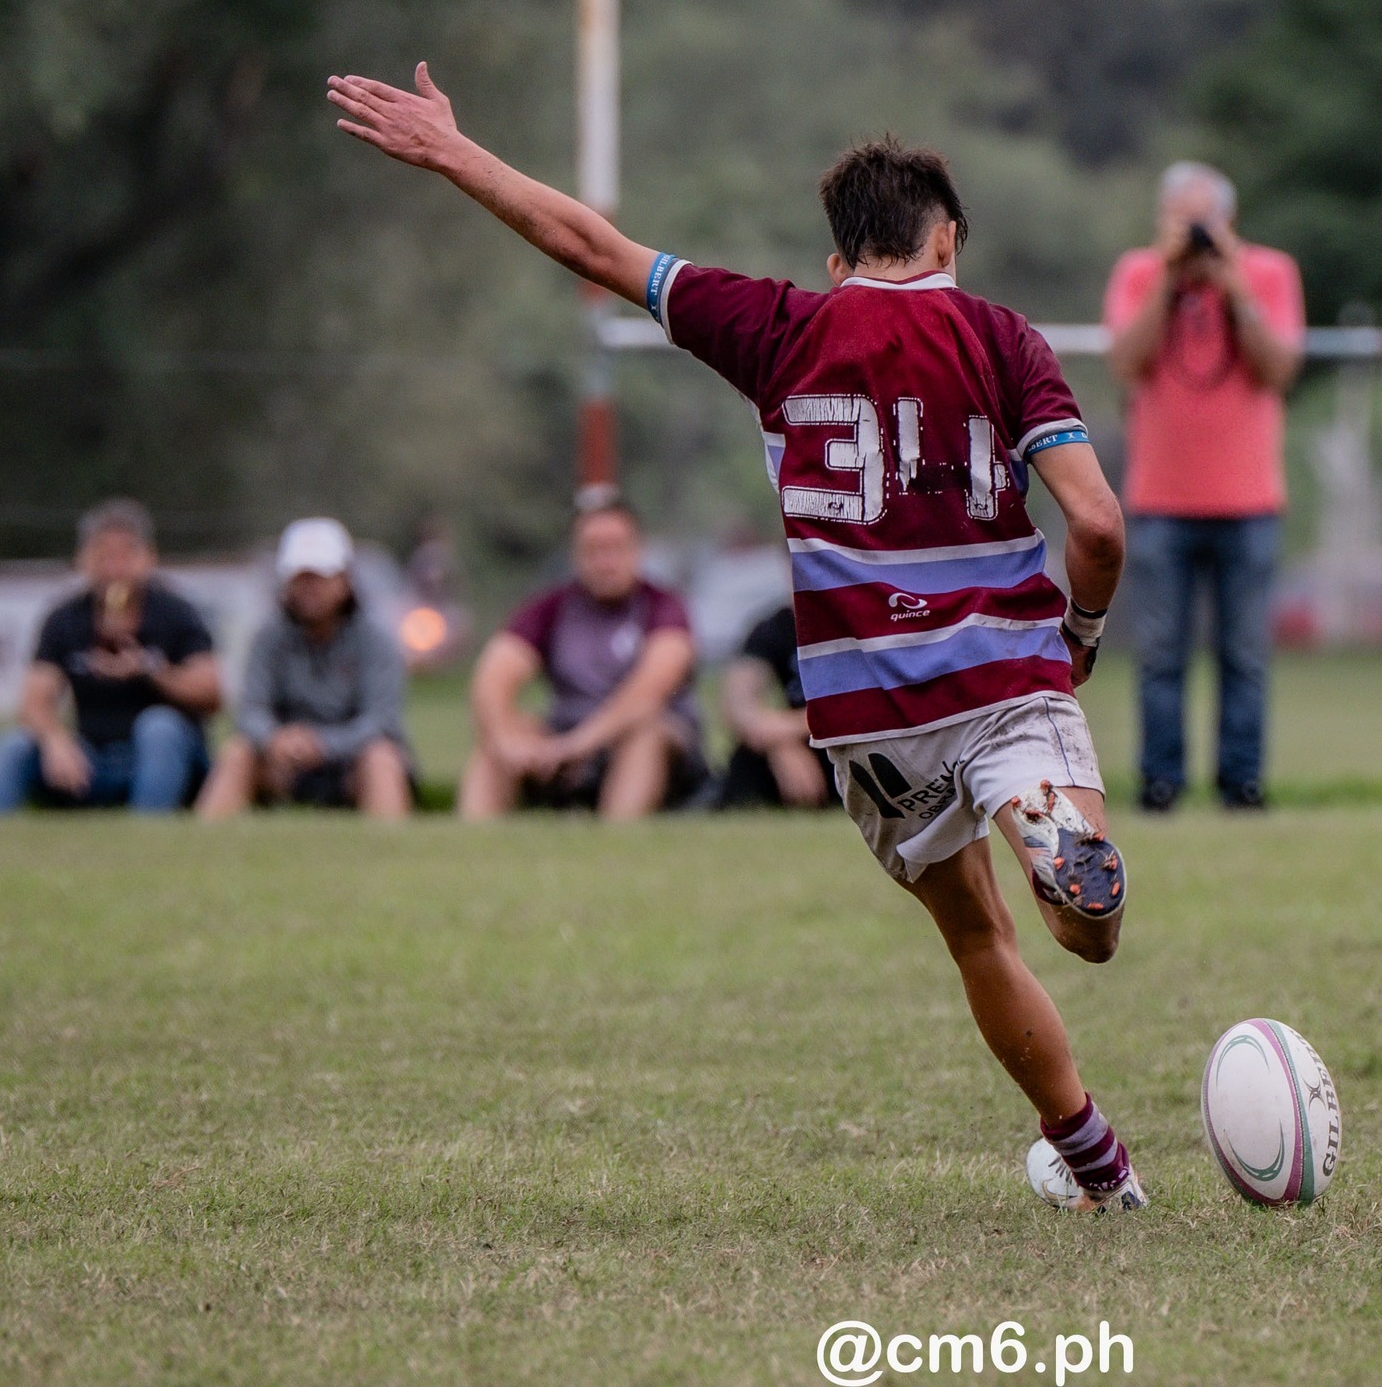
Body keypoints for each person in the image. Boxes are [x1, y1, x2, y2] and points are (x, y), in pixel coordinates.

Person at [330, 64, 1146, 1212]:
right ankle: (1047, 828)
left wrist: (458, 153)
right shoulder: (1005, 340)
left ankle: (1098, 1168)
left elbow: (593, 247)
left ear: (837, 259)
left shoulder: (776, 328)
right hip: (1007, 671)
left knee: (976, 938)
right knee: (1084, 936)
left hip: (869, 715)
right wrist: (1083, 634)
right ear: (947, 239)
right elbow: (1098, 524)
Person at [1104, 160, 1305, 812]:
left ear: (1231, 221)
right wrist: (1169, 280)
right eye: (1181, 219)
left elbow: (1278, 369)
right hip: (1161, 501)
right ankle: (1160, 782)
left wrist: (1231, 284)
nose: (1193, 233)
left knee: (1244, 656)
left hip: (1249, 503)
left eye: (1205, 220)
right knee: (1160, 655)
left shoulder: (1270, 273)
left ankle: (1241, 782)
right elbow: (1127, 363)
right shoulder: (1138, 273)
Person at [0, 499, 220, 815]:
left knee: (159, 726)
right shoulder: (65, 619)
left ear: (149, 559)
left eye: (125, 555)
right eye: (103, 556)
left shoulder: (176, 613)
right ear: (82, 560)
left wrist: (149, 669)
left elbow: (211, 692)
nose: (114, 568)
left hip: (162, 760)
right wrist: (56, 740)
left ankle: (149, 833)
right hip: (91, 760)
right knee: (15, 744)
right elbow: (33, 702)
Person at [460, 488, 703, 820]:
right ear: (575, 554)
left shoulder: (665, 608)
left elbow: (648, 694)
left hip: (648, 743)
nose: (606, 562)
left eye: (616, 548)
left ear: (637, 550)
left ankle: (616, 839)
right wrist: (505, 739)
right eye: (594, 550)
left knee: (646, 735)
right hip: (566, 737)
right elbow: (493, 677)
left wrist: (578, 745)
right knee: (508, 733)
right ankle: (471, 837)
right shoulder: (549, 608)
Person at [196, 518, 415, 820]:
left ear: (345, 580)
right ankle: (204, 845)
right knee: (238, 753)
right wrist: (275, 739)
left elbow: (381, 719)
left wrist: (324, 744)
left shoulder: (376, 640)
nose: (309, 588)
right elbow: (250, 710)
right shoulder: (268, 637)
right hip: (283, 762)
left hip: (352, 762)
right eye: (300, 578)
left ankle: (392, 853)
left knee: (382, 758)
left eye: (320, 577)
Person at [717, 602, 832, 809]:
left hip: (851, 737)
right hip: (803, 739)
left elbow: (871, 707)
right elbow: (737, 703)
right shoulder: (775, 627)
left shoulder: (860, 621)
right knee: (748, 758)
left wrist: (788, 730)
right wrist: (778, 742)